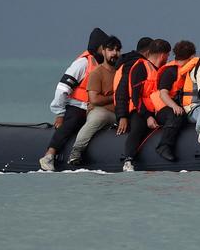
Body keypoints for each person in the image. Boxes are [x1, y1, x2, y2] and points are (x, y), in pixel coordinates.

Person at [39, 27, 110, 171]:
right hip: (78, 106)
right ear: (100, 48)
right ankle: (49, 155)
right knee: (71, 123)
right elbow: (63, 89)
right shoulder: (82, 64)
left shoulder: (106, 65)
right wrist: (60, 113)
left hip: (97, 107)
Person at [66, 35, 122, 168]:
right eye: (111, 50)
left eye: (117, 50)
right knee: (96, 119)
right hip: (102, 110)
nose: (115, 53)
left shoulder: (121, 72)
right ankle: (76, 151)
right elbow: (94, 99)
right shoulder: (97, 72)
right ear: (103, 51)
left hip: (119, 112)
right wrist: (115, 97)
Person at [142, 40, 198, 162]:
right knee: (176, 116)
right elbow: (163, 93)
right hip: (163, 108)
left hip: (178, 105)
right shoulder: (170, 71)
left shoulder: (187, 70)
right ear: (192, 56)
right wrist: (174, 106)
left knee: (182, 115)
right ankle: (164, 146)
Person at [121, 39, 170, 172]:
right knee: (138, 128)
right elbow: (136, 97)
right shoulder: (140, 67)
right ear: (162, 55)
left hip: (157, 109)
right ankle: (128, 160)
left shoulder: (162, 70)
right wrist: (147, 116)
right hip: (140, 110)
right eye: (167, 55)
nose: (168, 58)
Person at [113, 37, 153, 132]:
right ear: (148, 52)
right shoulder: (134, 65)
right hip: (131, 111)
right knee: (136, 132)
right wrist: (122, 116)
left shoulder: (129, 61)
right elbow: (122, 90)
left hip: (134, 109)